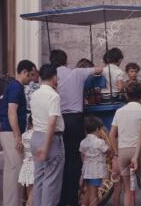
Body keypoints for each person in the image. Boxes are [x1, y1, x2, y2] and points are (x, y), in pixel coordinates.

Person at [50, 49, 103, 206]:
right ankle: (72, 199)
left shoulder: (52, 77)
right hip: (75, 119)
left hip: (59, 119)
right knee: (74, 159)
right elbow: (99, 69)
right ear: (66, 61)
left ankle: (59, 199)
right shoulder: (77, 72)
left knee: (60, 159)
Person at [110, 81, 141, 206]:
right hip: (138, 151)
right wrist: (136, 156)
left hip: (123, 151)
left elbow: (112, 135)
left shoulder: (119, 111)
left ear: (127, 95)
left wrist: (116, 154)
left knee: (127, 190)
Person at [0, 59, 36, 206]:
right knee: (15, 171)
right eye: (31, 75)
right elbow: (11, 111)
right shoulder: (16, 87)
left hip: (7, 131)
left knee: (11, 170)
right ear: (25, 72)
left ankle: (10, 202)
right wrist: (18, 136)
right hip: (10, 132)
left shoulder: (13, 86)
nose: (32, 78)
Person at [30, 64, 65, 206]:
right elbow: (52, 122)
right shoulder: (53, 96)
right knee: (51, 182)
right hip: (50, 139)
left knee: (38, 179)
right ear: (54, 77)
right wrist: (46, 146)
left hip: (36, 136)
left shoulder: (34, 94)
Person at [79, 116, 111, 206]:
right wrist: (107, 141)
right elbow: (108, 151)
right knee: (94, 193)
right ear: (98, 129)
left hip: (86, 172)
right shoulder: (100, 142)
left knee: (88, 191)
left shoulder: (83, 142)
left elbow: (82, 155)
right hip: (96, 172)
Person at [18, 115, 34, 206]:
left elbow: (23, 150)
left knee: (29, 191)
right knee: (33, 194)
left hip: (26, 164)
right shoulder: (37, 135)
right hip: (35, 165)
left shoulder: (24, 135)